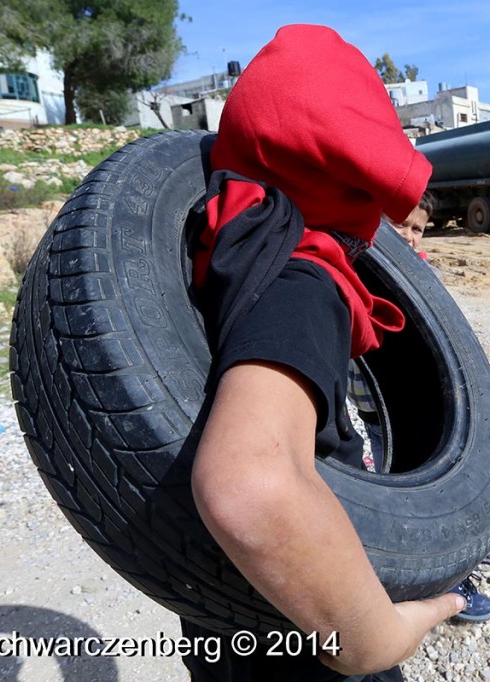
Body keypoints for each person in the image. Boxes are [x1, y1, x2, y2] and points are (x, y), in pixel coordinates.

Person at [181, 25, 466, 681]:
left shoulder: (226, 248)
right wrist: (375, 640)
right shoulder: (302, 281)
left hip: (232, 620)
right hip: (310, 640)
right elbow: (248, 485)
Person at [346, 194, 490, 625]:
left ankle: (442, 576)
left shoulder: (424, 278)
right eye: (402, 225)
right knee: (389, 493)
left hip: (421, 408)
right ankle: (404, 577)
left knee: (426, 495)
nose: (410, 236)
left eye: (419, 229)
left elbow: (454, 349)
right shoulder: (349, 270)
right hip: (370, 408)